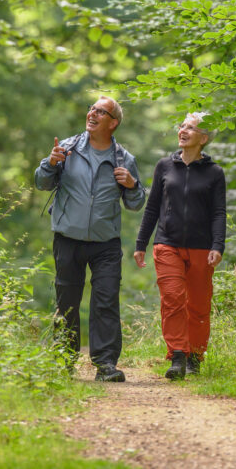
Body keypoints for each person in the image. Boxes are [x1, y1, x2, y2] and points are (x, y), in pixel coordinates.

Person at [35, 96, 146, 382]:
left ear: (113, 123)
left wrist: (132, 186)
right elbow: (40, 183)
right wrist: (49, 163)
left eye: (101, 111)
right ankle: (63, 361)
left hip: (105, 243)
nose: (93, 113)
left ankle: (106, 365)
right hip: (68, 238)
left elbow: (135, 204)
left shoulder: (124, 159)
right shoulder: (67, 149)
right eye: (91, 108)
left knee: (106, 301)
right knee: (67, 300)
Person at [134, 111, 226, 380]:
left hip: (201, 247)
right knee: (172, 299)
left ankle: (195, 357)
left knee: (198, 305)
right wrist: (141, 243)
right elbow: (152, 208)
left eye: (190, 128)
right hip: (167, 244)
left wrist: (217, 245)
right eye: (182, 126)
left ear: (203, 138)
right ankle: (177, 356)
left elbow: (219, 212)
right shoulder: (164, 166)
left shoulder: (214, 173)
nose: (183, 131)